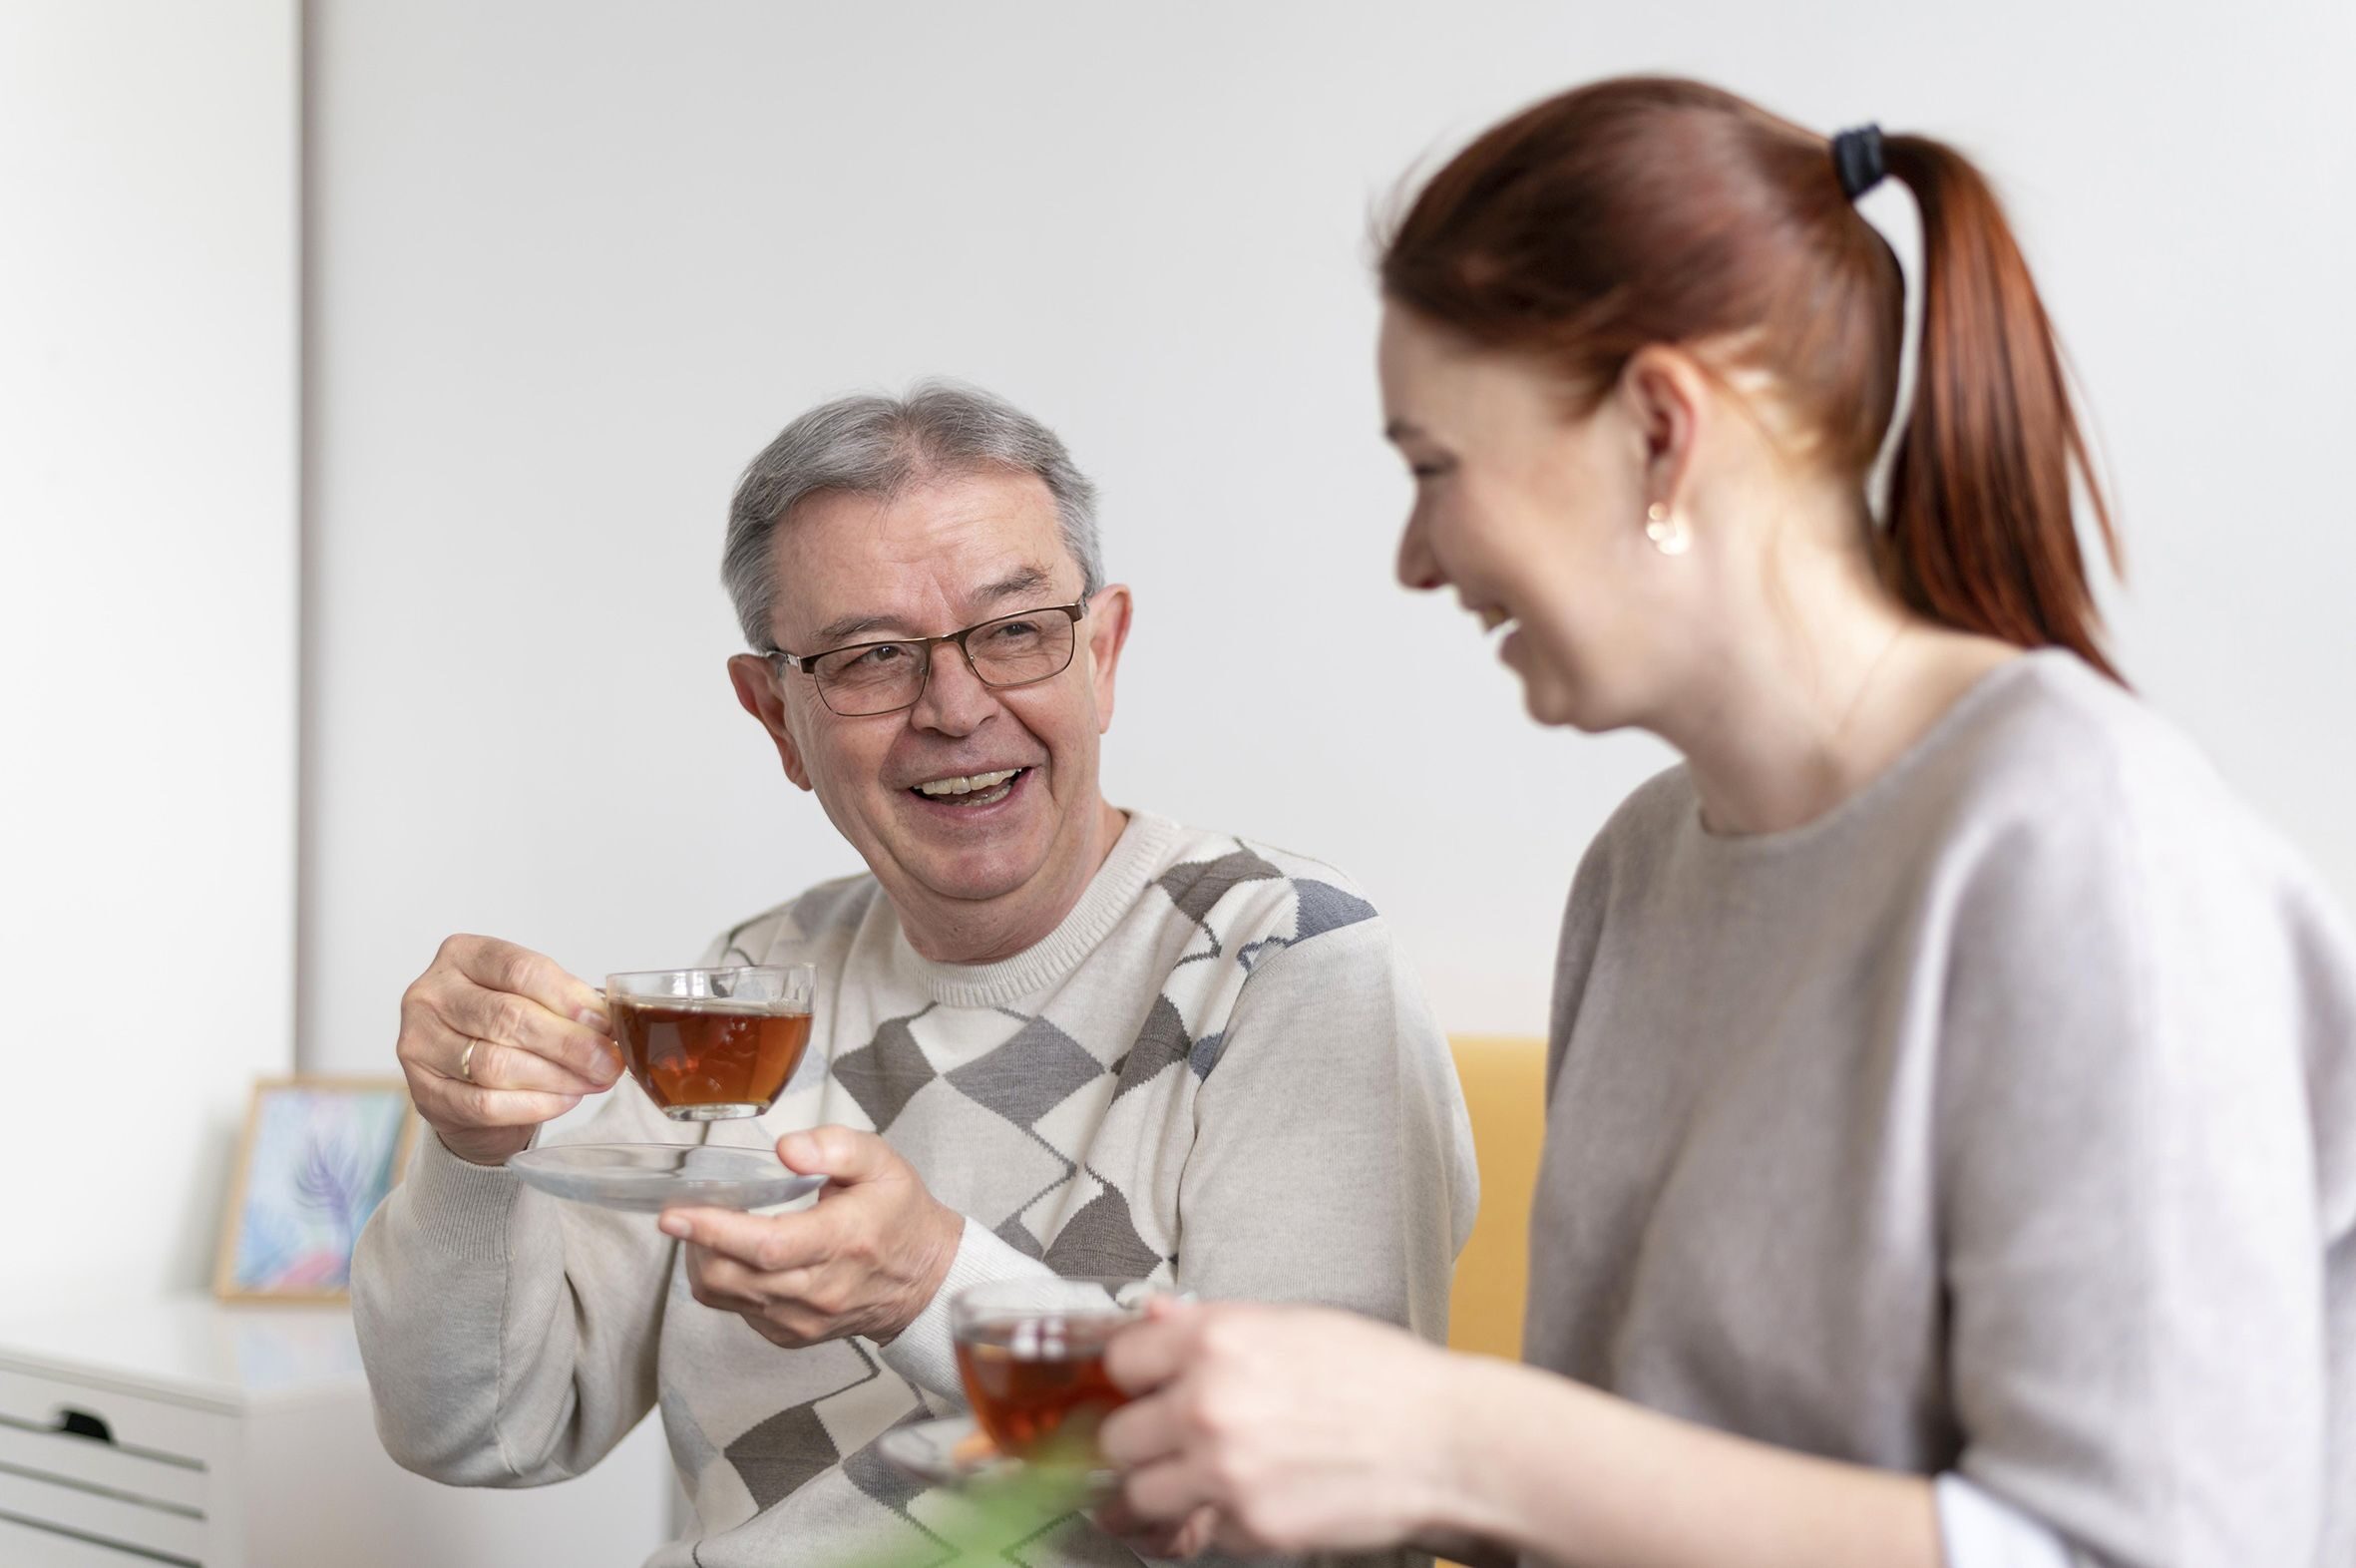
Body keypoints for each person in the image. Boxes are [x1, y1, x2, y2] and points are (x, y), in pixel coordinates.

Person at [1099, 76, 2356, 1568]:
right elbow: (1629, 1489)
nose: (1414, 559)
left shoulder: (2086, 852)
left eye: (1433, 467)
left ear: (1656, 430)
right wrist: (1334, 1468)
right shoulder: (1639, 869)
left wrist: (1453, 1438)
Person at [351, 382, 1478, 1568]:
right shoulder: (757, 983)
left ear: (1101, 653)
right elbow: (479, 1432)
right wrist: (474, 1153)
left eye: (1015, 631)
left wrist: (932, 1286)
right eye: (871, 658)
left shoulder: (1284, 967)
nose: (955, 707)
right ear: (775, 715)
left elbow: (1304, 1521)